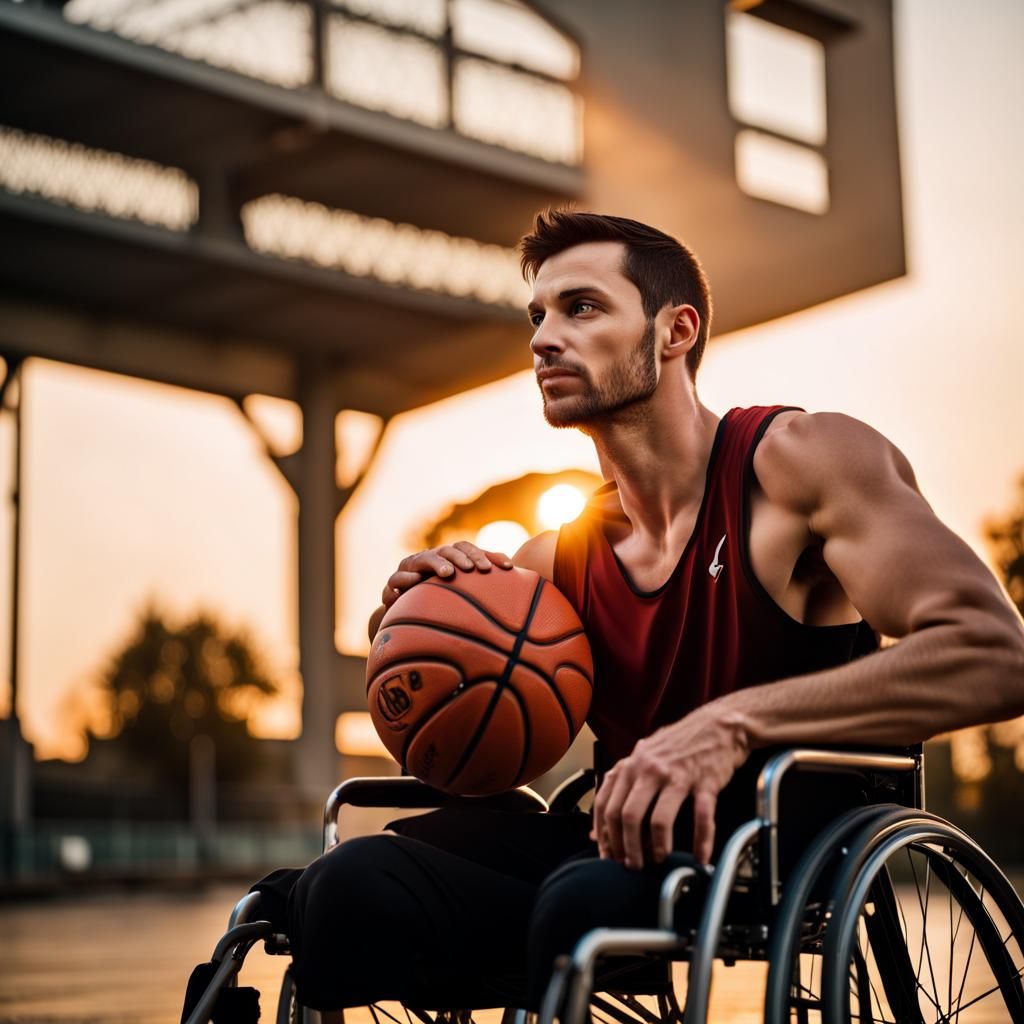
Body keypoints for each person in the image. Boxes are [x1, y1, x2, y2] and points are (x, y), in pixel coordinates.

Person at [285, 210, 1024, 1015]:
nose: (543, 337)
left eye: (583, 307)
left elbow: (994, 654)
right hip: (620, 838)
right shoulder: (557, 560)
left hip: (774, 843)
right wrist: (406, 631)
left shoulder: (797, 465)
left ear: (676, 331)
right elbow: (479, 748)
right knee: (347, 886)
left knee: (577, 904)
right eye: (537, 316)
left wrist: (730, 723)